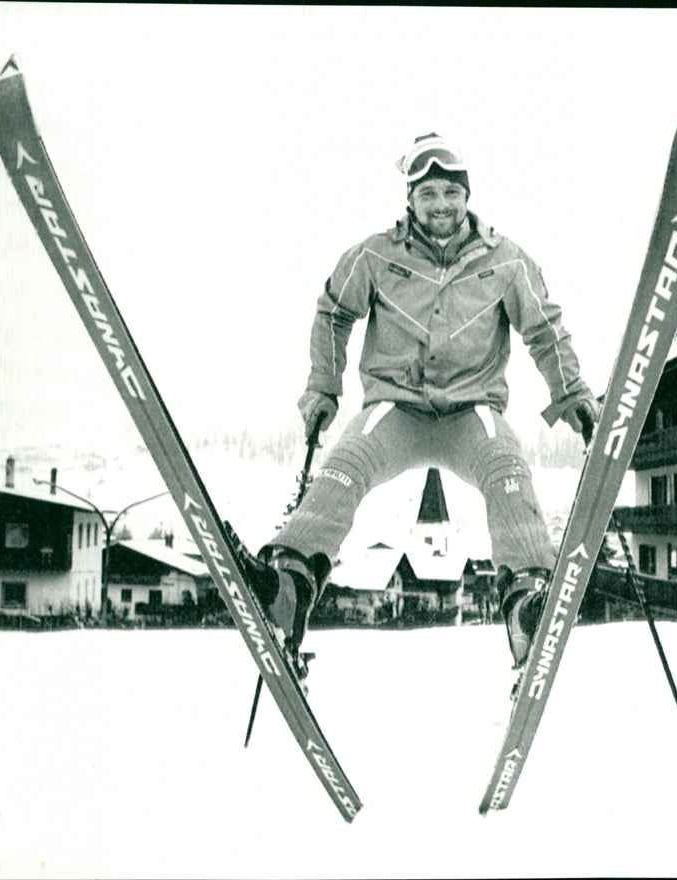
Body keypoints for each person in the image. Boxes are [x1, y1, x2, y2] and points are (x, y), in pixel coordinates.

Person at [243, 133, 599, 677]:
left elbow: (545, 330)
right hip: (396, 409)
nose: (440, 205)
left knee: (507, 468)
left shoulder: (506, 260)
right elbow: (334, 311)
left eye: (450, 193)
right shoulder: (375, 255)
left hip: (471, 411)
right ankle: (289, 586)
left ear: (466, 196)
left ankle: (528, 602)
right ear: (410, 198)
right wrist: (323, 386)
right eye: (428, 193)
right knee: (346, 465)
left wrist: (570, 392)